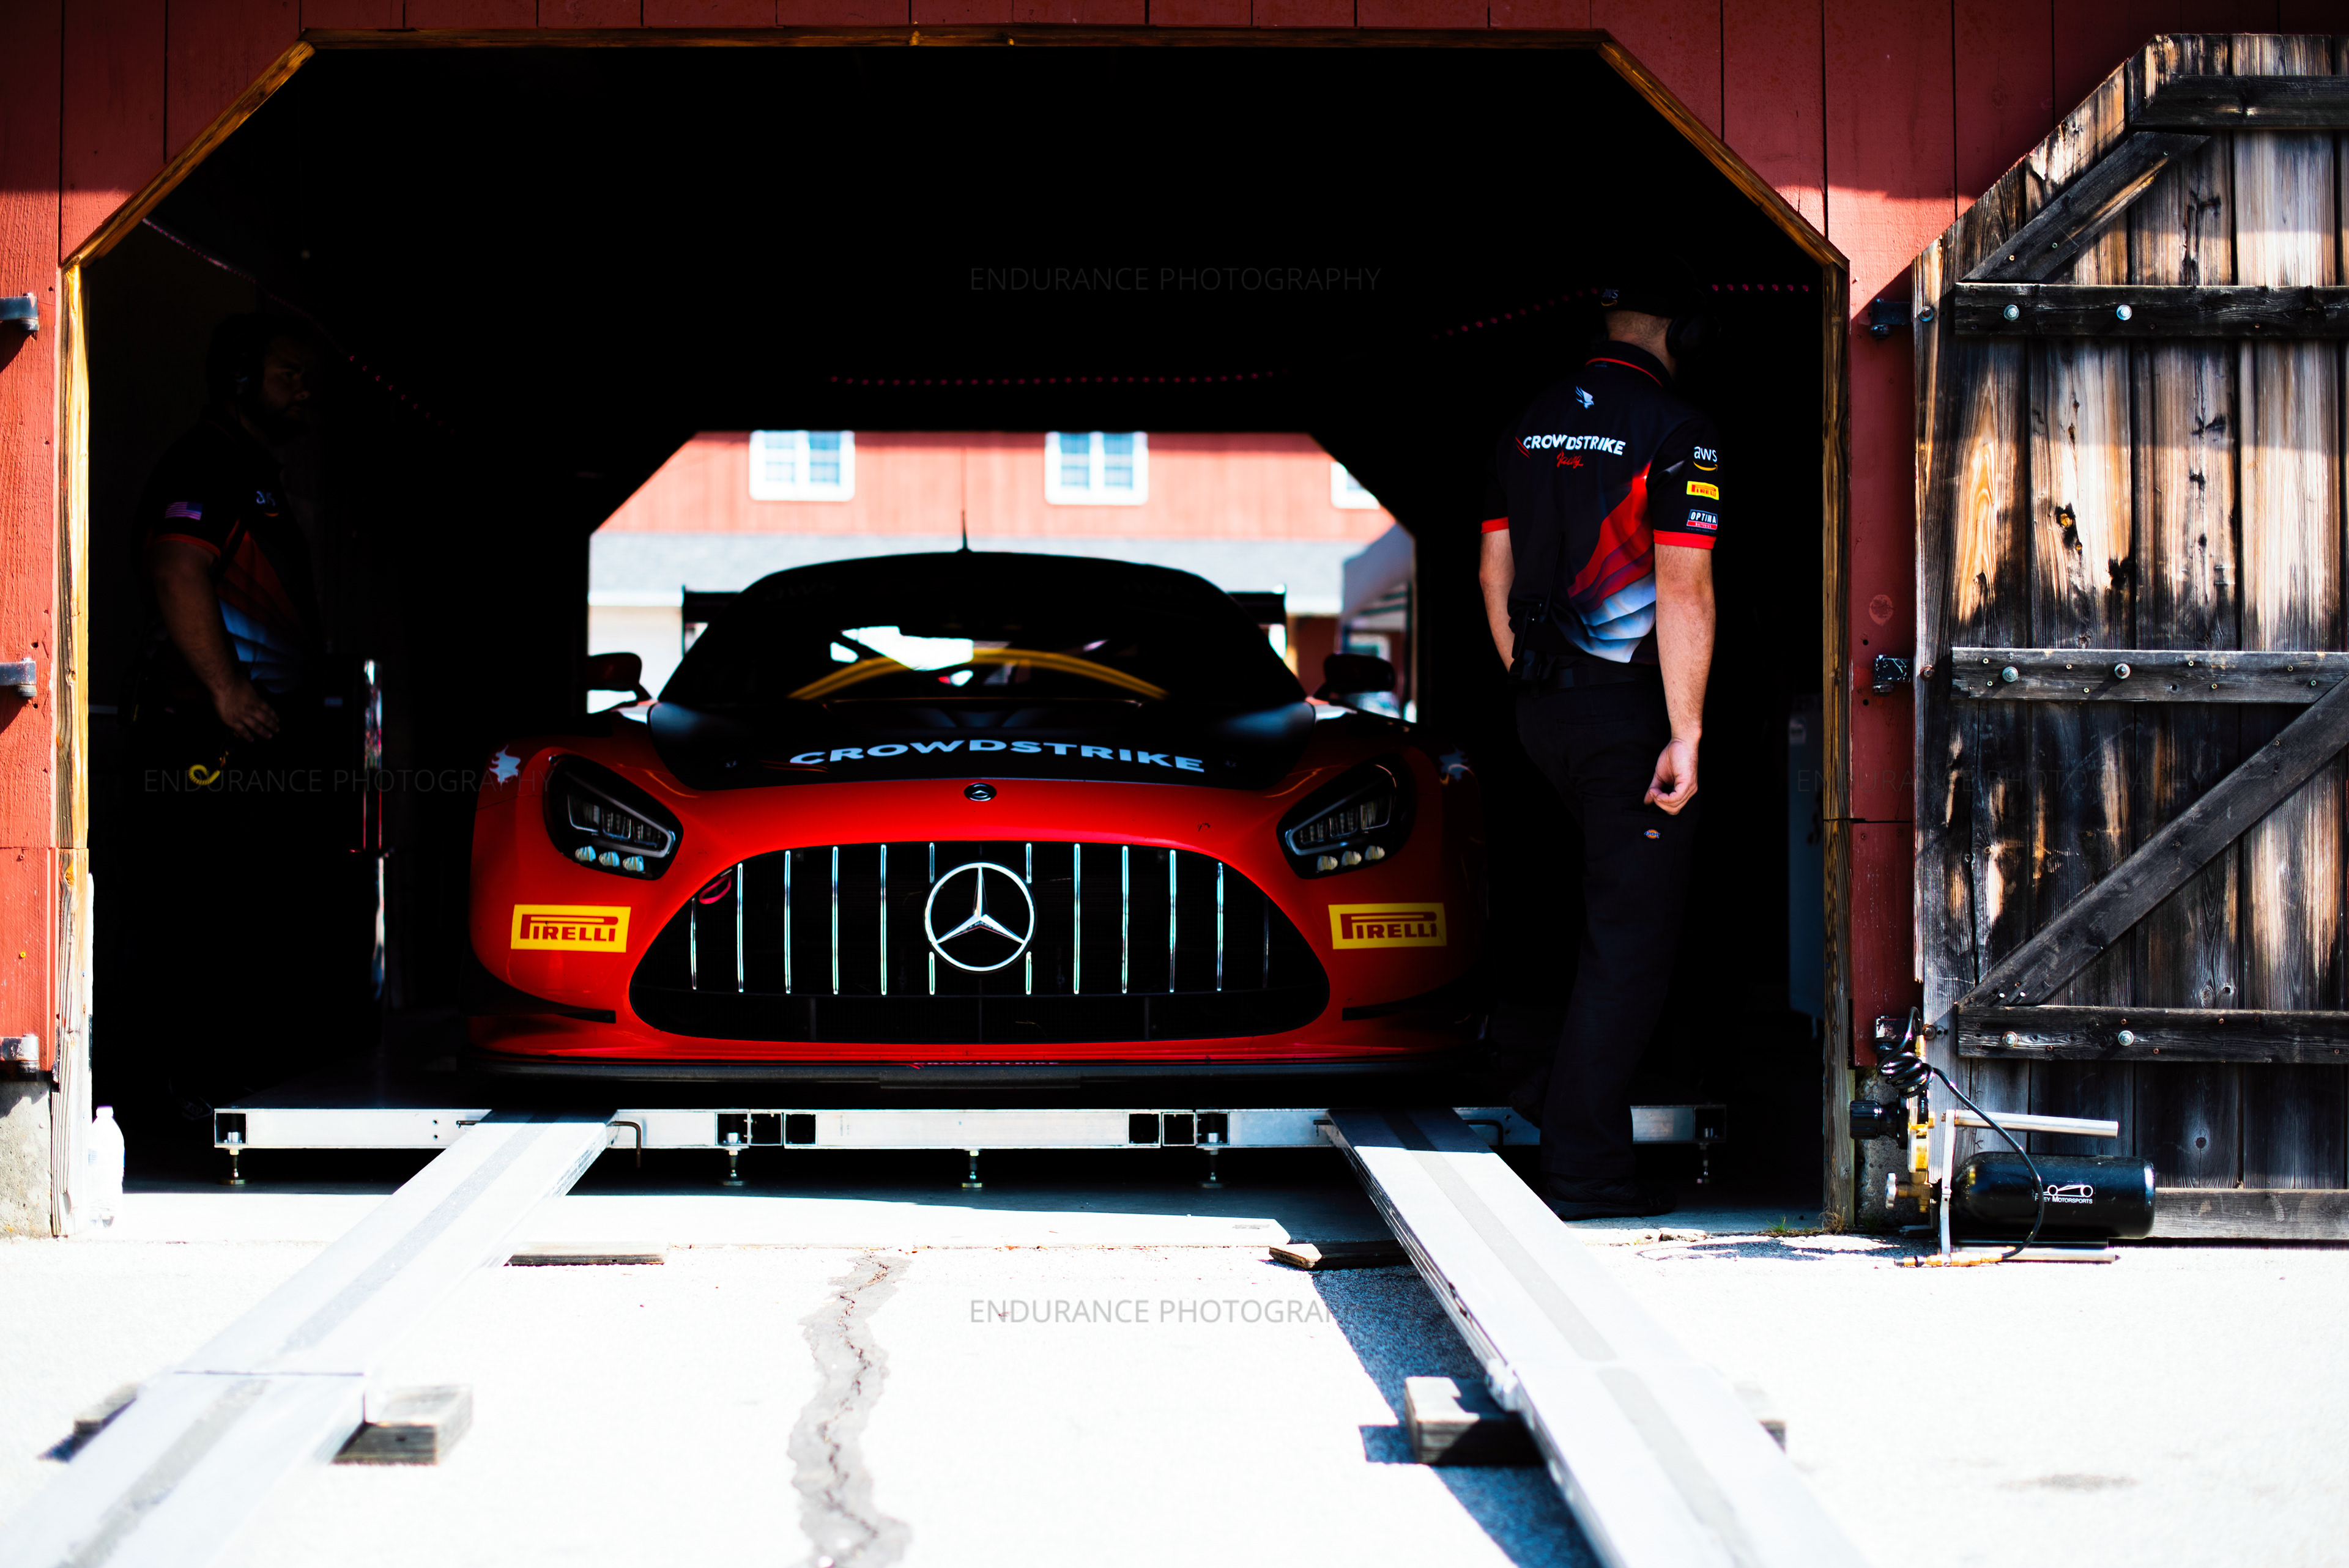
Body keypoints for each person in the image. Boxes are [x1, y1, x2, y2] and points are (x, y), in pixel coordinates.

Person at [1479, 271, 1720, 1221]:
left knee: (1612, 921)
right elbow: (1684, 587)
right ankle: (1583, 1171)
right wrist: (1686, 733)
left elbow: (1491, 572)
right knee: (1631, 939)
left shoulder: (1525, 422)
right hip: (1628, 719)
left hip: (1543, 713)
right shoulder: (1678, 430)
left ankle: (1550, 1091)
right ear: (1683, 331)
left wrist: (1529, 680)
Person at [119, 314, 341, 1120]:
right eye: (289, 375)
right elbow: (177, 568)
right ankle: (185, 1097)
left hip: (251, 746)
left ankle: (231, 1083)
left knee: (248, 916)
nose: (305, 391)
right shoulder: (208, 463)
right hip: (201, 741)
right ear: (241, 380)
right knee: (200, 917)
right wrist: (226, 689)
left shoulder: (250, 470)